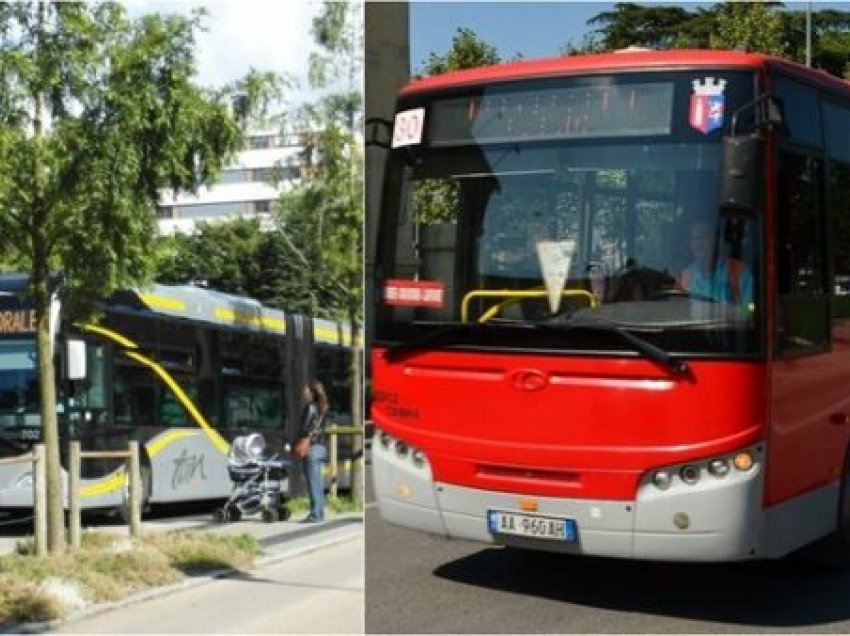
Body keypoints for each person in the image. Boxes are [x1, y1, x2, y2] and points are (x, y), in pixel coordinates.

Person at [678, 220, 753, 307]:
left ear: (715, 240)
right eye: (695, 238)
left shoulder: (739, 272)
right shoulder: (684, 278)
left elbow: (748, 313)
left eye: (703, 237)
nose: (699, 243)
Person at [296, 379, 329, 523]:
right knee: (318, 483)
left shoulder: (310, 407)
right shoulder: (323, 407)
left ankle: (315, 515)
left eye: (305, 389)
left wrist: (298, 441)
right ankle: (319, 513)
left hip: (312, 448)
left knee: (312, 483)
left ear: (312, 391)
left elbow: (305, 429)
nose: (303, 392)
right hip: (321, 448)